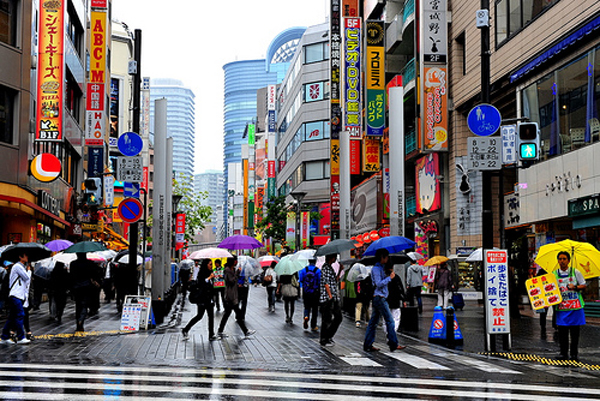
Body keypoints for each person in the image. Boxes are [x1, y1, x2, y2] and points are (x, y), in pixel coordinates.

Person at [363, 248, 406, 353]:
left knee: (373, 322)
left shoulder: (381, 268)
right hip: (380, 298)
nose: (387, 259)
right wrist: (389, 278)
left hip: (380, 297)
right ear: (382, 257)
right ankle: (393, 343)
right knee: (390, 321)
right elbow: (378, 283)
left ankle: (368, 344)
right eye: (386, 257)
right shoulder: (376, 269)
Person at [554, 251, 586, 361]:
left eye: (564, 259)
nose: (562, 261)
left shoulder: (575, 272)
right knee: (562, 332)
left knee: (575, 332)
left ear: (568, 260)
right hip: (562, 308)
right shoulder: (553, 274)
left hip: (575, 308)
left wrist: (575, 287)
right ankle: (563, 353)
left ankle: (574, 354)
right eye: (560, 259)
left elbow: (583, 285)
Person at [216, 256, 255, 338]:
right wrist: (237, 273)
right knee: (238, 313)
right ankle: (245, 331)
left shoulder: (231, 269)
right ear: (232, 261)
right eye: (235, 260)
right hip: (231, 295)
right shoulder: (227, 270)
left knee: (228, 313)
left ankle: (220, 330)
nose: (236, 262)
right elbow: (231, 281)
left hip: (232, 294)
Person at [1, 252, 32, 344]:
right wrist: (29, 271)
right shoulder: (18, 266)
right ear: (20, 256)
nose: (27, 257)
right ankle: (21, 337)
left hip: (19, 295)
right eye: (25, 255)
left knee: (12, 317)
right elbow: (26, 278)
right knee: (20, 314)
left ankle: (4, 337)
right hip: (16, 295)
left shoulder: (21, 267)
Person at [182, 259, 217, 341]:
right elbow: (202, 284)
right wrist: (209, 278)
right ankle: (186, 329)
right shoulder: (201, 274)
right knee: (199, 316)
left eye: (211, 264)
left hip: (209, 299)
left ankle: (211, 334)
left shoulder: (211, 272)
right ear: (206, 265)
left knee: (211, 317)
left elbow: (211, 286)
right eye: (210, 264)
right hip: (202, 299)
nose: (211, 266)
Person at [319, 254, 343, 347]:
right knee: (327, 319)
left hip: (333, 297)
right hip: (328, 297)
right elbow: (326, 283)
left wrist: (340, 270)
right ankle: (324, 339)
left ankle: (328, 336)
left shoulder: (330, 268)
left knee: (338, 317)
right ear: (330, 257)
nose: (335, 259)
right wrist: (330, 296)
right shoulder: (325, 268)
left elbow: (334, 281)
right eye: (334, 257)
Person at [70, 252, 97, 332]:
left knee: (78, 305)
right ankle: (81, 320)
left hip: (76, 287)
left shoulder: (73, 264)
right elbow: (94, 274)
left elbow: (71, 276)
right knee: (85, 304)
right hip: (87, 286)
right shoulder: (90, 263)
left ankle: (78, 321)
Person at [298, 258, 321, 331]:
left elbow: (301, 280)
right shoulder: (318, 270)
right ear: (315, 262)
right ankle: (313, 326)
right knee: (315, 309)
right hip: (315, 292)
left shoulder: (304, 270)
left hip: (306, 292)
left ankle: (306, 316)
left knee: (306, 307)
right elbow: (320, 281)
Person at [385, 262, 405, 335]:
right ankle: (393, 331)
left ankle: (387, 332)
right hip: (395, 300)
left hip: (386, 300)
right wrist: (403, 299)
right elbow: (400, 289)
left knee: (386, 318)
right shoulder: (396, 277)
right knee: (396, 317)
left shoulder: (383, 277)